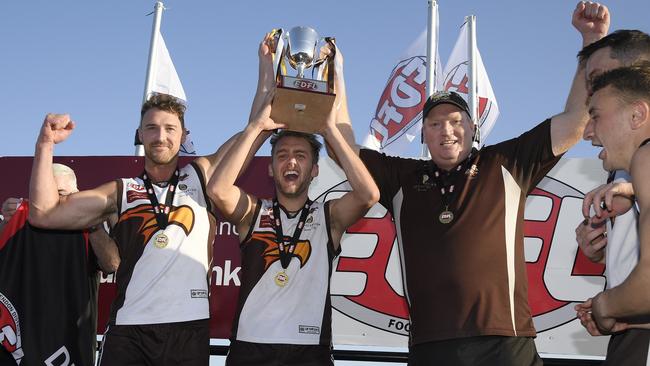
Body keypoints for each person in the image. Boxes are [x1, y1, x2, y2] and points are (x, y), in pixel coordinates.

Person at [331, 2, 607, 365]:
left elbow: (574, 122)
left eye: (456, 121)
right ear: (423, 135)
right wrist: (336, 72)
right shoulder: (403, 179)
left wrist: (591, 41)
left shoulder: (505, 163)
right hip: (431, 345)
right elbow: (343, 149)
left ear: (472, 129)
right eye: (434, 124)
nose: (446, 130)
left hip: (505, 342)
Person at [27, 95, 239, 366]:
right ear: (140, 134)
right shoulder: (121, 190)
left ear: (184, 134)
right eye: (151, 128)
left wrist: (268, 72)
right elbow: (42, 214)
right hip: (129, 332)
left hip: (188, 330)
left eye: (170, 128)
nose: (160, 136)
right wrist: (45, 144)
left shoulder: (201, 176)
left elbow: (254, 128)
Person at [208, 37, 379, 366]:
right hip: (250, 350)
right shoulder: (253, 212)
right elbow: (217, 190)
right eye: (282, 155)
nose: (290, 162)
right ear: (271, 169)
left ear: (314, 170)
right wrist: (258, 126)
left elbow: (368, 194)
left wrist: (329, 129)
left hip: (309, 352)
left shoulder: (329, 216)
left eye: (300, 156)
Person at [572, 27, 650, 364]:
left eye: (602, 79)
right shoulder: (625, 162)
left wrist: (606, 307)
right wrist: (601, 255)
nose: (587, 130)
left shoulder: (643, 155)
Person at [0, 163, 117, 366]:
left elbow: (112, 264)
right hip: (22, 336)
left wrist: (93, 225)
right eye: (46, 193)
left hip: (71, 338)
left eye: (61, 194)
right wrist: (6, 223)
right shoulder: (20, 219)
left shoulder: (89, 226)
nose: (52, 202)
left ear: (77, 196)